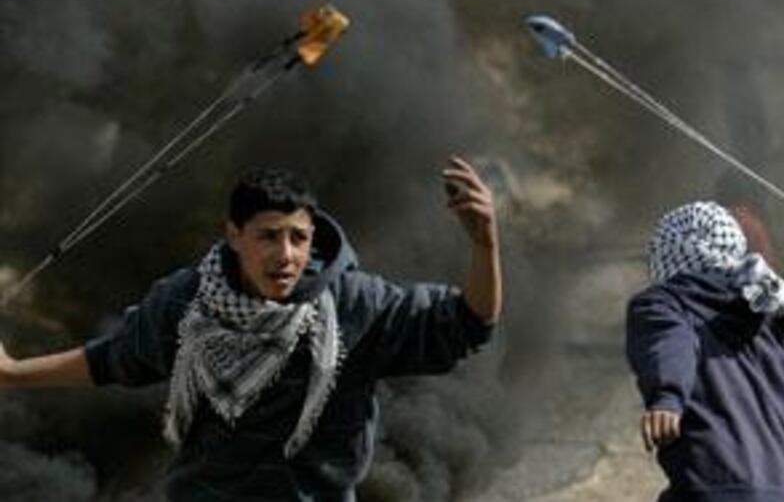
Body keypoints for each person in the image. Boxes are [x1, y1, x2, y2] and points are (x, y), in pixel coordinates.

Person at [0, 156, 502, 501]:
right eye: (268, 237)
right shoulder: (187, 301)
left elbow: (467, 324)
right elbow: (113, 360)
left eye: (297, 238)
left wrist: (484, 244)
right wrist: (15, 372)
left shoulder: (354, 305)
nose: (284, 255)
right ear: (234, 235)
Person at [626, 201, 784, 502]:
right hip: (780, 488)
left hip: (713, 483)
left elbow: (670, 339)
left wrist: (667, 396)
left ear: (666, 252)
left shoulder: (664, 303)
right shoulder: (773, 310)